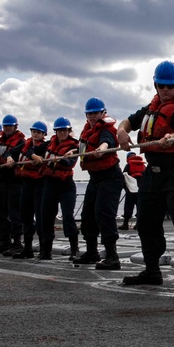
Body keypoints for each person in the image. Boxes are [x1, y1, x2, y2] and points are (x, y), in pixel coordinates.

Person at [116, 60, 174, 299]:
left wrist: (172, 137)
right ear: (155, 85)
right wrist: (121, 131)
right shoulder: (151, 108)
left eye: (170, 86)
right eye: (162, 86)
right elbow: (128, 121)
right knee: (145, 223)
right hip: (152, 173)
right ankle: (152, 270)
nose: (166, 90)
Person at [74, 97, 124, 270]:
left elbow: (106, 142)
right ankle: (92, 252)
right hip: (95, 178)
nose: (93, 116)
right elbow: (83, 148)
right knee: (88, 215)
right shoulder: (87, 130)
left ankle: (112, 256)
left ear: (103, 113)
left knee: (104, 214)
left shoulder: (106, 129)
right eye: (90, 114)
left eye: (96, 113)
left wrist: (101, 150)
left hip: (110, 177)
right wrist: (71, 152)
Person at [39, 117, 80, 261]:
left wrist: (61, 158)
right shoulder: (49, 144)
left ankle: (74, 249)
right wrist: (32, 155)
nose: (62, 133)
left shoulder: (75, 146)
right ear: (55, 132)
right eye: (60, 131)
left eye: (65, 130)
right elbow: (32, 149)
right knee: (46, 217)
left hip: (66, 185)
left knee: (68, 216)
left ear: (69, 131)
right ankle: (46, 250)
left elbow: (70, 162)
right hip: (50, 184)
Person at [0, 114, 26, 256]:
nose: (7, 128)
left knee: (14, 213)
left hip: (14, 182)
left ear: (16, 127)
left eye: (9, 126)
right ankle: (4, 240)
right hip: (0, 181)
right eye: (5, 126)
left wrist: (9, 158)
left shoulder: (21, 142)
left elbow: (15, 153)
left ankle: (17, 242)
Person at [12, 120, 49, 259]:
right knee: (25, 217)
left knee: (40, 218)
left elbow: (33, 152)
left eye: (38, 132)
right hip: (26, 185)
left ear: (43, 134)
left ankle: (43, 248)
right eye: (33, 131)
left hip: (39, 184)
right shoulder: (25, 145)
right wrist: (10, 157)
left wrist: (33, 155)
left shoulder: (45, 146)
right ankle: (27, 248)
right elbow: (14, 151)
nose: (35, 134)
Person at [120, 151, 145, 230]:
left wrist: (125, 188)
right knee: (140, 207)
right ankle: (138, 224)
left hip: (130, 190)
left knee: (128, 206)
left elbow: (123, 177)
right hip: (141, 190)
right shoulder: (143, 165)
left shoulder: (129, 165)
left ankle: (125, 224)